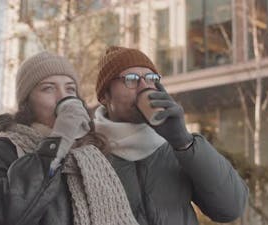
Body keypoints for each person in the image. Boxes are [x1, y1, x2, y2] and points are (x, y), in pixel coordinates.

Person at [0, 52, 140, 225]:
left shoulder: (93, 151)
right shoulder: (2, 149)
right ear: (27, 102)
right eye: (48, 88)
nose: (63, 97)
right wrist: (57, 143)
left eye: (70, 89)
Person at [93, 46, 249, 225]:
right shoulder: (88, 154)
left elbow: (231, 208)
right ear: (105, 95)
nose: (144, 87)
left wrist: (184, 142)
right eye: (131, 79)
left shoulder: (177, 147)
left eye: (151, 79)